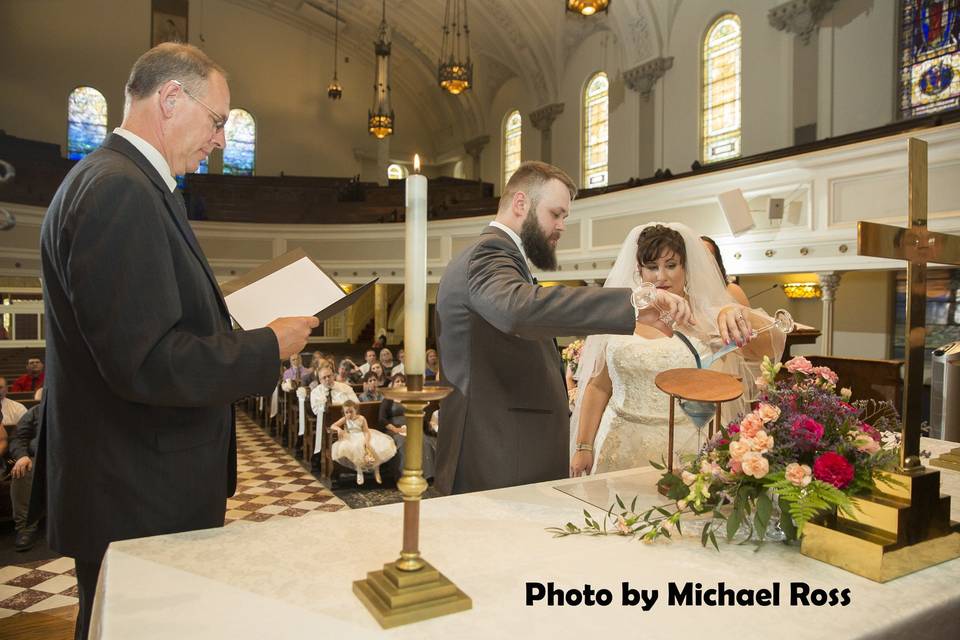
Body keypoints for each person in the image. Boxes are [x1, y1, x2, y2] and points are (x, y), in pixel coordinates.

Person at [37, 43, 318, 640]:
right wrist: (268, 345)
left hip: (134, 484)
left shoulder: (124, 182)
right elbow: (146, 361)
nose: (219, 140)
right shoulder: (119, 189)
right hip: (139, 493)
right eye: (218, 121)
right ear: (170, 99)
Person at [435, 161, 692, 495]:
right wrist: (631, 303)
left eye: (565, 217)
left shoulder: (501, 258)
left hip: (506, 445)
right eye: (555, 214)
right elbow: (520, 310)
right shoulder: (488, 254)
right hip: (497, 450)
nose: (561, 226)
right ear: (520, 204)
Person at [569, 223, 784, 477]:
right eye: (652, 267)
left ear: (685, 268)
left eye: (671, 266)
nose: (661, 276)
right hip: (619, 439)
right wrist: (583, 445)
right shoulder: (620, 315)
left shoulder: (708, 317)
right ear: (639, 271)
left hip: (688, 442)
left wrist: (730, 310)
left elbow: (773, 342)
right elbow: (598, 386)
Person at [379, 373, 436, 481]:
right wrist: (396, 429)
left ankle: (427, 474)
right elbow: (382, 419)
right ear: (392, 385)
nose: (400, 383)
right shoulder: (388, 399)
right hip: (394, 429)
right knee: (404, 442)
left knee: (424, 440)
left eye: (402, 381)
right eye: (397, 381)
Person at [329, 399, 396, 485]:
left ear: (355, 410)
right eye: (346, 412)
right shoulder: (345, 419)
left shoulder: (361, 418)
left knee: (374, 447)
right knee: (355, 448)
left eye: (351, 411)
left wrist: (367, 441)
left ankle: (376, 470)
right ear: (344, 412)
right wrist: (338, 429)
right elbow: (332, 425)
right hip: (351, 438)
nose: (349, 414)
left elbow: (366, 431)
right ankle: (359, 471)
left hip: (363, 436)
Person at [9, 404, 41, 551]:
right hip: (37, 458)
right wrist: (22, 456)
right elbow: (17, 437)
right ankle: (26, 528)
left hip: (70, 459)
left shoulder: (79, 409)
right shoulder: (36, 411)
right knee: (23, 469)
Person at [701, 235, 749, 306]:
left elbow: (747, 316)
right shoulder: (685, 294)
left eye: (708, 254)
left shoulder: (732, 290)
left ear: (717, 262)